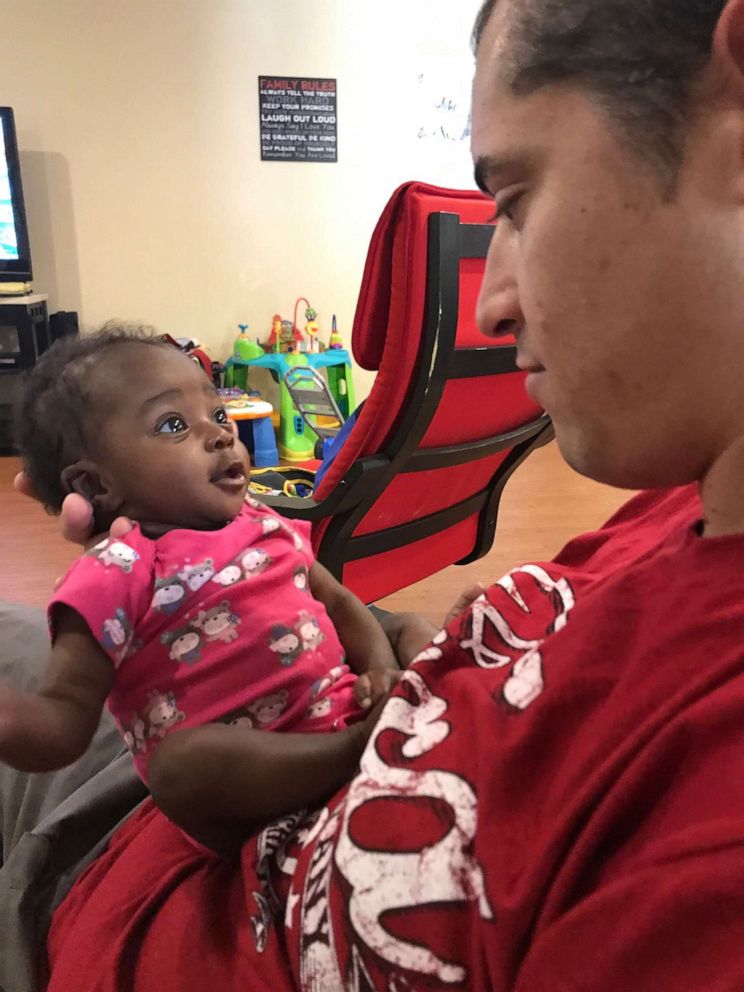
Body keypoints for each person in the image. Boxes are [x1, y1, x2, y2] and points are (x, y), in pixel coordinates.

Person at [6, 0, 744, 987]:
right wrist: (399, 642)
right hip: (197, 731)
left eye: (516, 200)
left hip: (110, 886)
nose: (492, 300)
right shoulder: (681, 497)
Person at [2, 327, 403, 855]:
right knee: (178, 764)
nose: (221, 436)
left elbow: (339, 601)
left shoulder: (260, 518)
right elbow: (62, 720)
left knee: (410, 628)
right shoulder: (113, 573)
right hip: (245, 802)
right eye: (172, 425)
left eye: (217, 416)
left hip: (345, 707)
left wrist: (380, 666)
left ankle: (397, 710)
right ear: (97, 487)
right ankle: (363, 747)